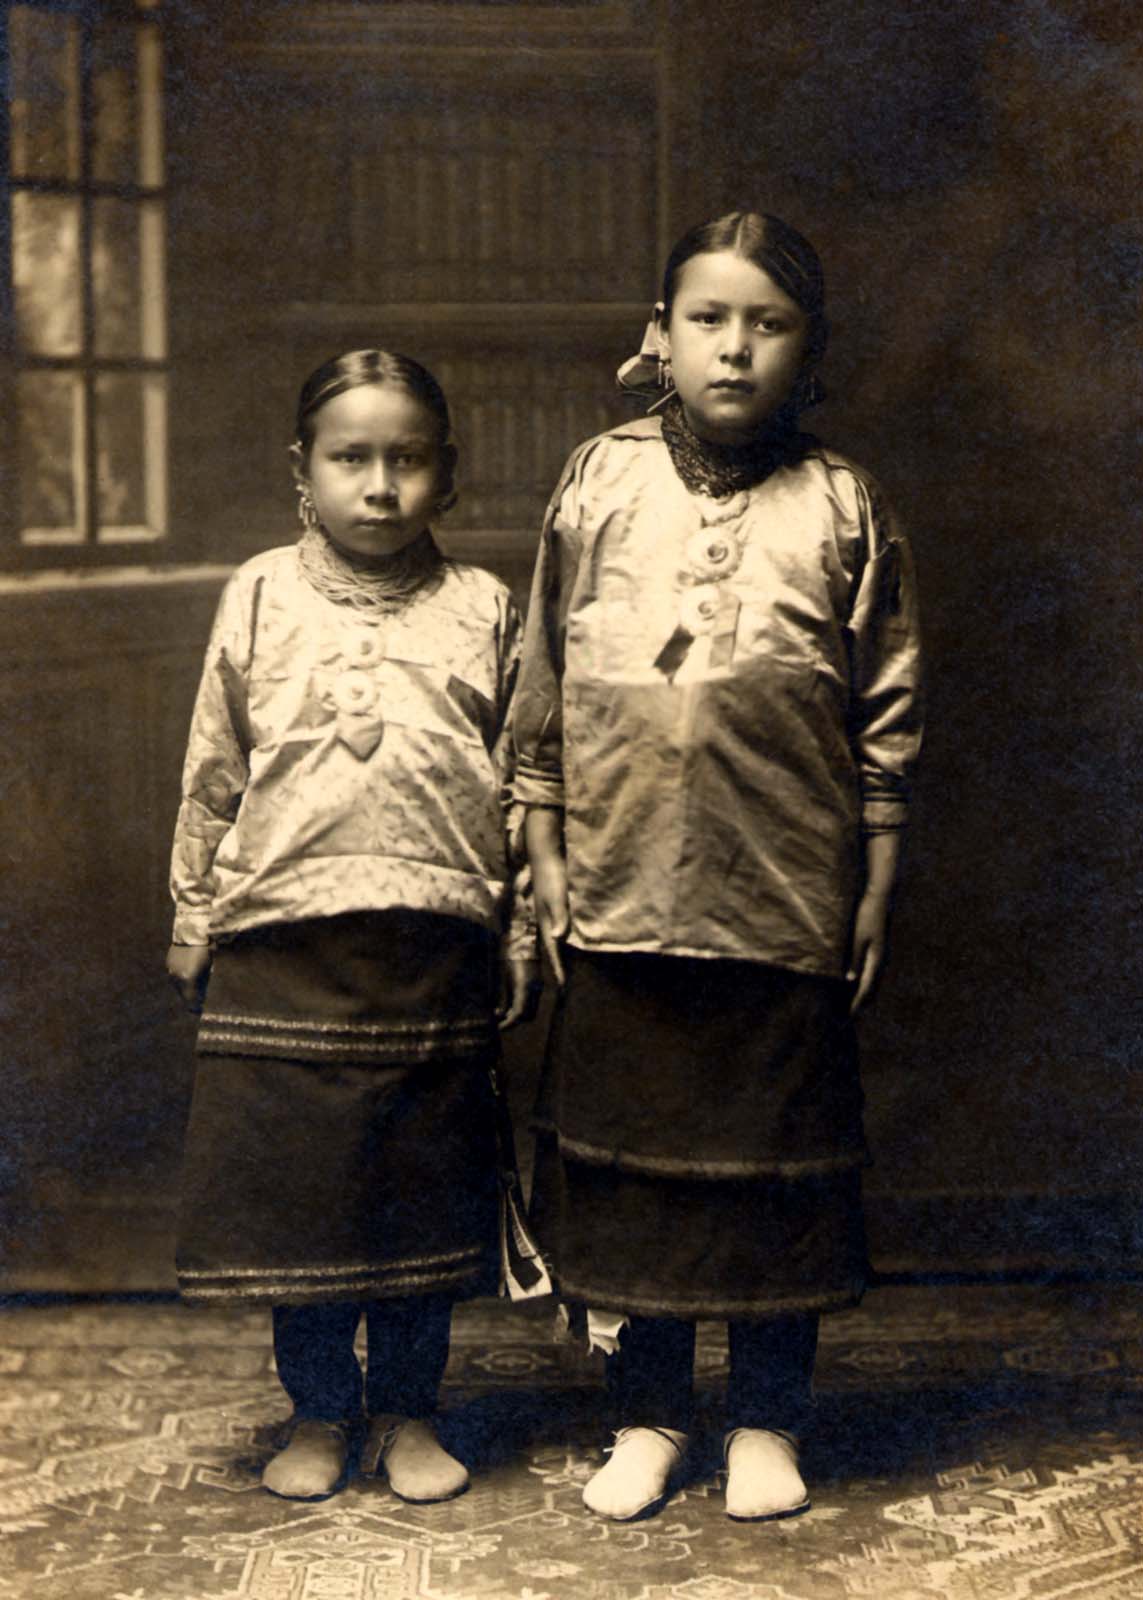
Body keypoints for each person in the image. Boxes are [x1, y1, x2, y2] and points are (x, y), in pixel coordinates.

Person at [512, 212, 923, 1523]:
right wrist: (542, 849)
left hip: (782, 895)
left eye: (766, 322)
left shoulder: (840, 503)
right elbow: (541, 677)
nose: (732, 347)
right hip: (623, 889)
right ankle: (645, 1414)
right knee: (638, 1174)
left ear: (805, 351)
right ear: (659, 334)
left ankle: (763, 1415)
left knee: (770, 1176)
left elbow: (883, 713)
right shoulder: (595, 481)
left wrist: (867, 880)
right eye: (707, 317)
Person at [167, 349, 538, 1504]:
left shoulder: (483, 607)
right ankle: (322, 1407)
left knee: (419, 1193)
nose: (380, 485)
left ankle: (413, 1410)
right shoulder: (261, 594)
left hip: (432, 951)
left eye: (408, 460)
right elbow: (213, 767)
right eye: (352, 458)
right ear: (303, 471)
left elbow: (525, 782)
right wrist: (193, 909)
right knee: (304, 1203)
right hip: (283, 945)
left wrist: (516, 933)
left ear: (449, 476)